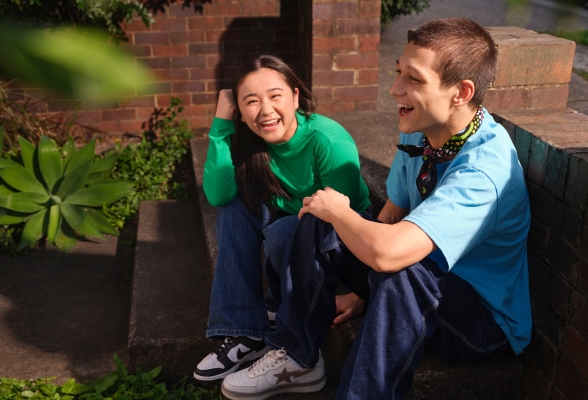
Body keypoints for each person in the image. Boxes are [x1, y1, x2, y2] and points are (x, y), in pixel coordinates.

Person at [220, 18, 532, 400]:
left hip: (478, 323)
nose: (394, 88)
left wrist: (341, 213)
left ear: (461, 92)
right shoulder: (421, 131)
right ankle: (298, 357)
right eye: (398, 72)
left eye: (413, 79)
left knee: (402, 269)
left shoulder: (485, 170)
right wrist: (363, 288)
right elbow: (391, 216)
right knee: (324, 221)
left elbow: (388, 253)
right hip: (423, 286)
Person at [194, 54, 371, 382]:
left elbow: (340, 219)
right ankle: (245, 329)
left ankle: (282, 315)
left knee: (283, 231)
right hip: (287, 219)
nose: (265, 110)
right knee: (233, 208)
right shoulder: (248, 139)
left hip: (339, 236)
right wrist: (220, 129)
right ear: (241, 113)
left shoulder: (327, 140)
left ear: (295, 97)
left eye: (275, 96)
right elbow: (217, 196)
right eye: (251, 101)